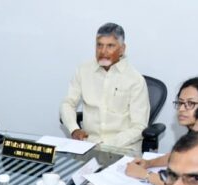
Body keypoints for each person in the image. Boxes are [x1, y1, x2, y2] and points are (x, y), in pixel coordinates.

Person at [59, 23, 149, 152]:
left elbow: (139, 127)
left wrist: (106, 145)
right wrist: (74, 129)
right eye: (99, 45)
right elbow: (68, 103)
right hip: (88, 145)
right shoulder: (83, 70)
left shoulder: (135, 80)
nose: (103, 51)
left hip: (123, 148)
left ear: (122, 49)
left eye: (110, 46)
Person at [125, 76, 198, 185]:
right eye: (180, 103)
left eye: (190, 103)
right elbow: (178, 155)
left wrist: (145, 175)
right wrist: (149, 163)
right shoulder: (197, 133)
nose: (181, 109)